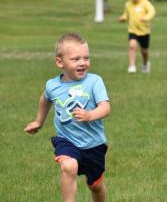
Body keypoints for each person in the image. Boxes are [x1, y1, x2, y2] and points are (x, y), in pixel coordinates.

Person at [24, 33, 111, 202]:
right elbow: (44, 99)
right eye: (76, 59)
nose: (82, 63)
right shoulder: (52, 85)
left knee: (96, 186)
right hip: (67, 140)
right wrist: (38, 121)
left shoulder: (94, 81)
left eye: (86, 58)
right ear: (60, 62)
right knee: (68, 166)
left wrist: (90, 115)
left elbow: (106, 107)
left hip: (94, 144)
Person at [118, 0, 156, 74]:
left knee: (144, 51)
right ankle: (132, 66)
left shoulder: (145, 2)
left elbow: (152, 11)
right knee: (132, 46)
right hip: (133, 30)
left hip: (144, 32)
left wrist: (146, 18)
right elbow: (126, 14)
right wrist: (123, 18)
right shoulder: (128, 4)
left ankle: (145, 64)